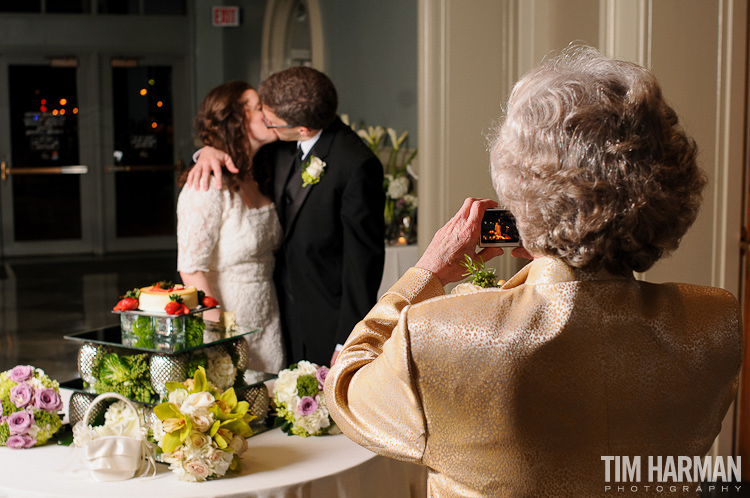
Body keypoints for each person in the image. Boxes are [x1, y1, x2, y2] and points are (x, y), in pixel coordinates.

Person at [324, 46, 743, 497]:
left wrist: (427, 272)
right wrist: (564, 243)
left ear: (520, 197)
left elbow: (346, 392)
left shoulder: (439, 336)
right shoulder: (715, 325)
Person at [188, 67, 385, 367]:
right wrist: (207, 151)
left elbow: (363, 265)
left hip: (325, 324)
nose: (267, 122)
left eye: (272, 120)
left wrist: (347, 340)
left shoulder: (355, 164)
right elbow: (235, 142)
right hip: (272, 314)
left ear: (302, 129)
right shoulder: (278, 142)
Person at [177, 81, 286, 373]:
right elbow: (190, 268)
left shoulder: (262, 171)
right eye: (258, 106)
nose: (269, 112)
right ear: (235, 122)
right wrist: (220, 339)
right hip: (230, 320)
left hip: (269, 318)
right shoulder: (206, 185)